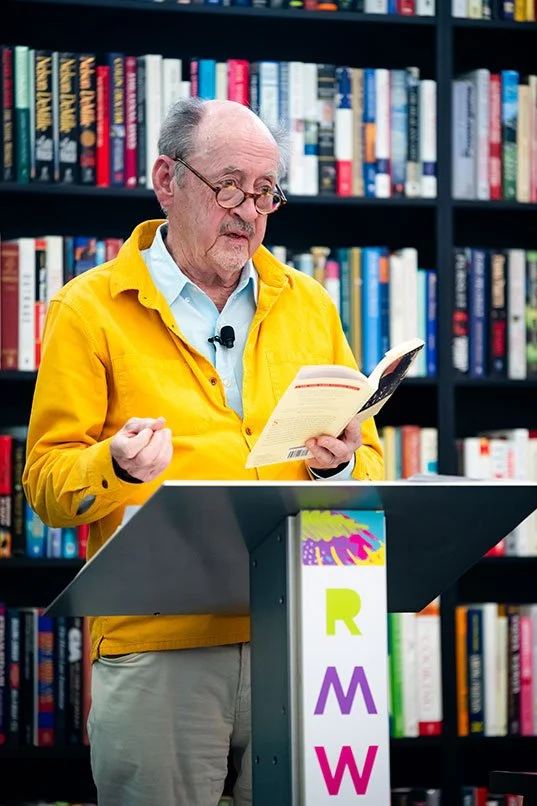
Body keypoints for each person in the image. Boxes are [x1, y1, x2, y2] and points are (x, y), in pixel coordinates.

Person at [22, 98, 384, 806]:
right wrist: (115, 467)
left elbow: (366, 465)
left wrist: (339, 463)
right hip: (160, 643)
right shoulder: (87, 308)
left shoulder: (309, 304)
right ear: (167, 179)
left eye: (265, 193)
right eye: (227, 187)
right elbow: (44, 484)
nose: (247, 211)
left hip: (307, 638)